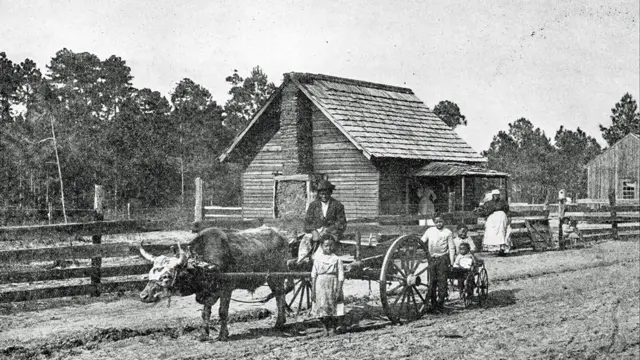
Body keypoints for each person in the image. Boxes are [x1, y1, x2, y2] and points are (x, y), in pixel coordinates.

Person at [297, 180, 347, 264]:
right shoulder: (313, 205)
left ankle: (319, 262)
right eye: (321, 194)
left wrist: (327, 231)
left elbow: (341, 223)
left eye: (326, 193)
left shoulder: (338, 205)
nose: (324, 196)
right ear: (319, 194)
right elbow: (307, 222)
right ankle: (302, 261)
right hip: (316, 231)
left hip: (332, 232)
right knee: (305, 240)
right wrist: (313, 231)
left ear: (330, 193)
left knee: (325, 244)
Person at [311, 234, 344, 336]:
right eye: (326, 246)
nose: (328, 248)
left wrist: (339, 289)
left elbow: (341, 276)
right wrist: (313, 290)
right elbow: (313, 275)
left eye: (330, 245)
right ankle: (325, 328)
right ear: (321, 246)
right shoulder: (318, 259)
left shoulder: (337, 259)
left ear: (334, 246)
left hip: (333, 283)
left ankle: (333, 328)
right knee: (321, 306)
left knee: (333, 306)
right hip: (320, 284)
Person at [421, 215, 455, 312]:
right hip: (432, 259)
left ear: (444, 221)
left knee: (442, 281)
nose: (439, 224)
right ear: (434, 222)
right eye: (437, 222)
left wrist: (451, 262)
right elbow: (422, 241)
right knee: (432, 281)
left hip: (442, 259)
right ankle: (433, 303)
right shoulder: (430, 231)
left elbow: (451, 248)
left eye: (441, 221)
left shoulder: (448, 232)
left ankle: (440, 303)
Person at [478, 189, 512, 255]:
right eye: (494, 195)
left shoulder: (503, 202)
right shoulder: (489, 203)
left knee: (501, 232)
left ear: (499, 195)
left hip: (501, 218)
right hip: (492, 219)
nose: (496, 196)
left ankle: (502, 249)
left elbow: (507, 210)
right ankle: (493, 249)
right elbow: (484, 209)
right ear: (492, 195)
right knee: (490, 231)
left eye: (497, 195)